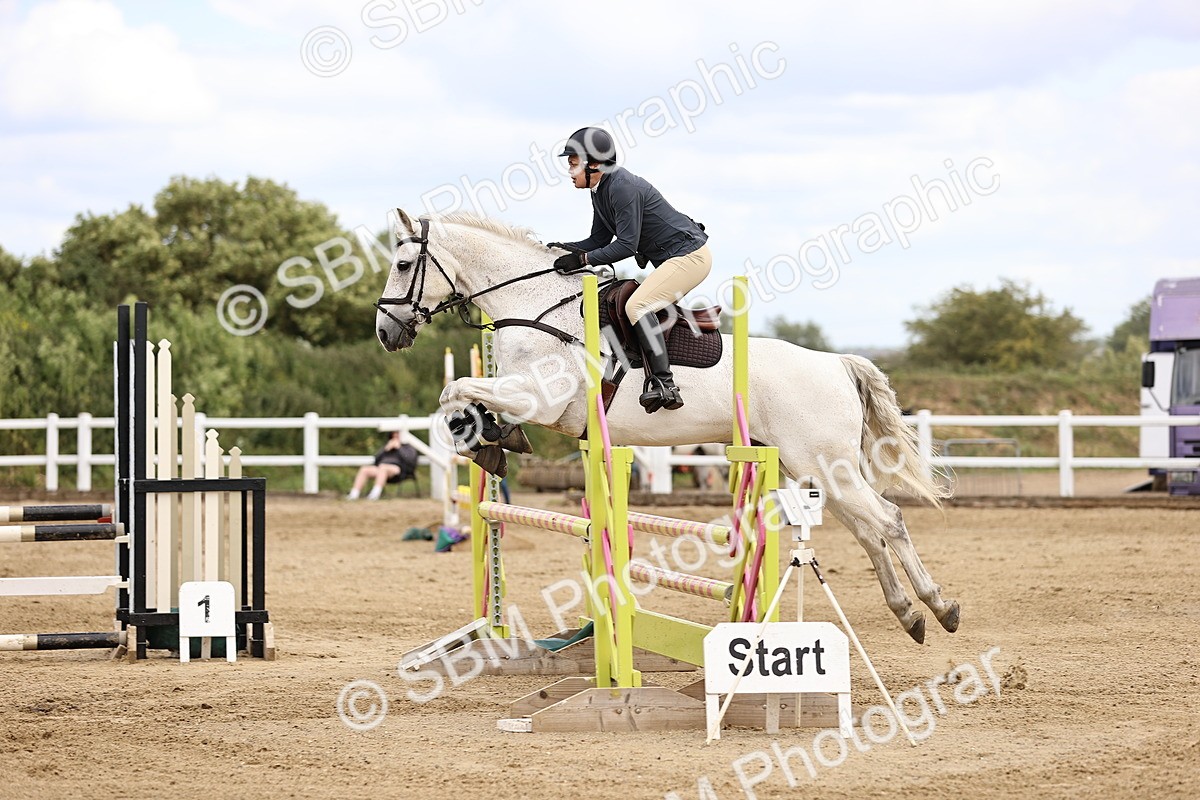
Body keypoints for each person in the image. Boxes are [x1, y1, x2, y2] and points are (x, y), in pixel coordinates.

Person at [547, 126, 711, 413]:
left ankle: (664, 383)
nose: (570, 172)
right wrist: (563, 248)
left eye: (573, 164)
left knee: (638, 306)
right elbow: (598, 240)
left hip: (691, 257)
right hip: (675, 258)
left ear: (594, 164)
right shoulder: (600, 190)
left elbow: (625, 245)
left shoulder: (622, 188)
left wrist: (583, 260)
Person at [346, 431, 418, 500]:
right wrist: (385, 449)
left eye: (397, 434)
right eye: (394, 434)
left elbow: (410, 460)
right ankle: (354, 494)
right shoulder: (387, 445)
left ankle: (374, 494)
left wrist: (399, 448)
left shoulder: (408, 447)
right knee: (365, 469)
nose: (395, 436)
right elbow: (376, 460)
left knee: (383, 468)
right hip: (381, 468)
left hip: (398, 470)